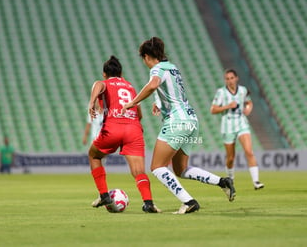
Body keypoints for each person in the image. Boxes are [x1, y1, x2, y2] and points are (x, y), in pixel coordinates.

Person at [122, 37, 235, 214]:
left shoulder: (157, 68)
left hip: (177, 122)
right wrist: (158, 102)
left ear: (146, 56)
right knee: (181, 169)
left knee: (157, 167)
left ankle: (189, 201)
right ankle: (222, 182)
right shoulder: (173, 68)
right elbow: (170, 91)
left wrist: (132, 103)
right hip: (191, 120)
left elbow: (153, 85)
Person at [88, 55, 160, 213]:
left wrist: (92, 101)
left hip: (113, 127)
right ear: (121, 73)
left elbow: (99, 85)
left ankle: (104, 194)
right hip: (133, 129)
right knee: (139, 171)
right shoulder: (130, 87)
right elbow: (139, 114)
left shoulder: (103, 82)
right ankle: (148, 203)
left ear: (104, 74)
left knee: (94, 156)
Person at [210, 69, 264, 190]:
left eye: (231, 78)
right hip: (227, 125)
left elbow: (249, 102)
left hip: (241, 123)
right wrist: (227, 106)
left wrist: (248, 108)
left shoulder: (243, 90)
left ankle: (256, 181)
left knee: (249, 151)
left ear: (236, 78)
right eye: (227, 79)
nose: (230, 81)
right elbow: (213, 110)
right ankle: (231, 178)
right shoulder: (221, 92)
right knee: (230, 158)